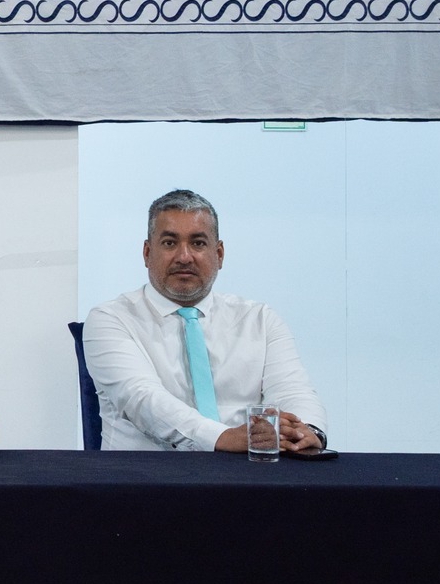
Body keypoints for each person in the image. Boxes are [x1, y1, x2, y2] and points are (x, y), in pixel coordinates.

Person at [82, 189, 328, 453]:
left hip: (247, 479)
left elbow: (293, 389)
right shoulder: (110, 319)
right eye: (169, 243)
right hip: (142, 483)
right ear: (146, 252)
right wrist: (222, 438)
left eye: (198, 243)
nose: (184, 256)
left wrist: (304, 431)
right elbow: (143, 399)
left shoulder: (260, 319)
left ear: (219, 254)